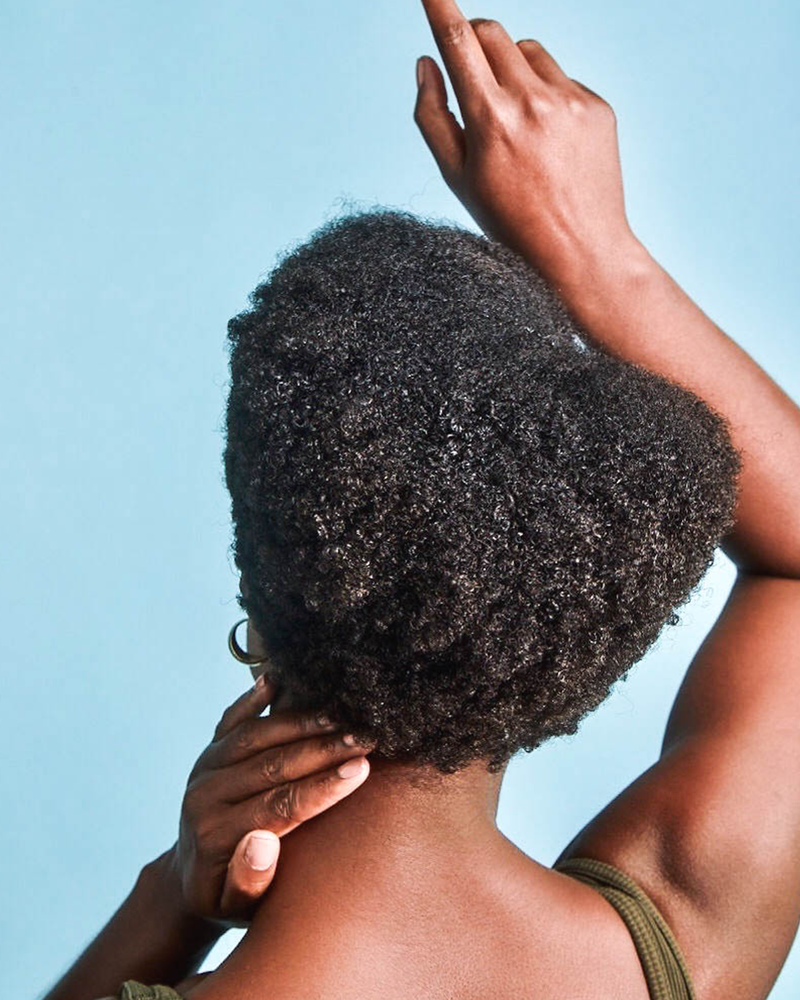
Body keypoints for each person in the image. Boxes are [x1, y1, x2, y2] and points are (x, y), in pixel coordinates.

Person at [42, 1, 800, 999]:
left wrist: (171, 898)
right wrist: (598, 252)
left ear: (261, 602)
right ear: (567, 636)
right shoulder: (686, 942)